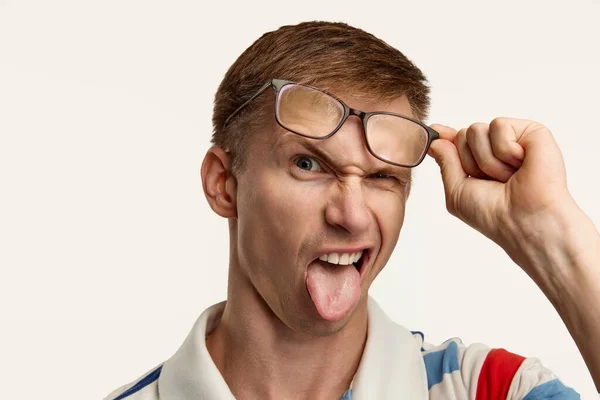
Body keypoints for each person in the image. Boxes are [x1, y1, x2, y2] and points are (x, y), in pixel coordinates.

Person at [105, 21, 600, 399]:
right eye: (308, 164)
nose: (353, 215)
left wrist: (553, 238)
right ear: (223, 185)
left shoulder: (491, 390)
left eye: (384, 175)